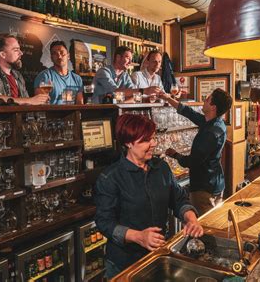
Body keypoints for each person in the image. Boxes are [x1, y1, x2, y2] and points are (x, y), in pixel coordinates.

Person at [94, 114, 204, 279]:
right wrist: (138, 236)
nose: (154, 143)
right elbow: (104, 222)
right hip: (125, 263)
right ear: (129, 143)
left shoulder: (161, 168)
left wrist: (191, 219)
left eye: (153, 138)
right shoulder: (110, 177)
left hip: (159, 255)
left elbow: (179, 199)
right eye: (146, 140)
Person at [163, 88, 233, 216]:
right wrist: (168, 98)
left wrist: (175, 154)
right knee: (213, 222)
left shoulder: (210, 133)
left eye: (207, 99)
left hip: (204, 188)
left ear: (213, 107)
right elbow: (188, 112)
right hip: (215, 182)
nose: (203, 101)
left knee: (204, 228)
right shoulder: (215, 122)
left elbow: (192, 161)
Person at [0, 33, 49, 106]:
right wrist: (31, 100)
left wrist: (38, 102)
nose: (21, 53)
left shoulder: (17, 75)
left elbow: (26, 103)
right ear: (3, 55)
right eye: (16, 50)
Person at [92, 46, 161, 103]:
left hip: (116, 111)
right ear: (118, 57)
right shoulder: (103, 72)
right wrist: (144, 90)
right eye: (127, 58)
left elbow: (135, 96)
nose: (130, 62)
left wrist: (122, 103)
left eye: (131, 59)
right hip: (99, 113)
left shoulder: (125, 76)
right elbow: (115, 91)